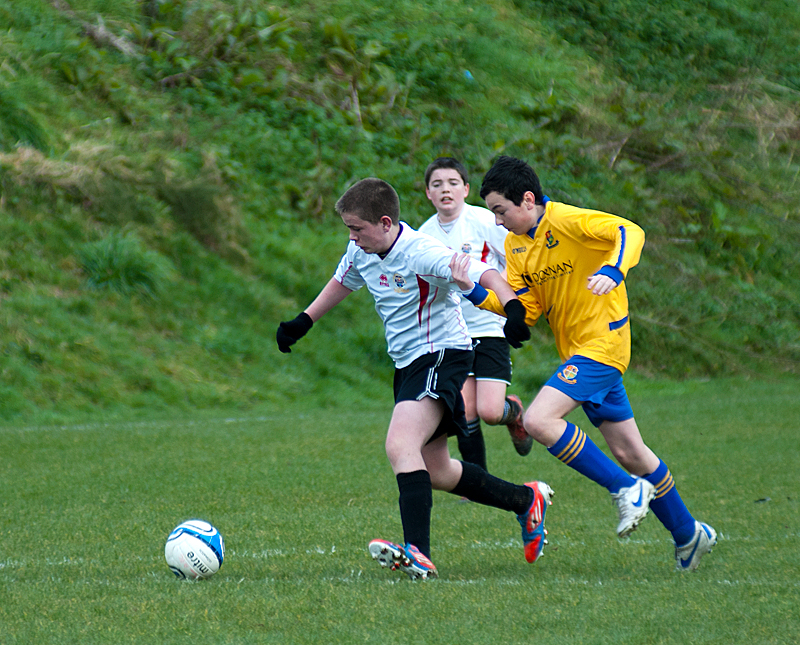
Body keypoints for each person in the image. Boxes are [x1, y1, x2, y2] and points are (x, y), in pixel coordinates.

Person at [276, 177, 553, 580]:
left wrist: (512, 309)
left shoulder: (421, 252)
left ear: (385, 223)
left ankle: (418, 554)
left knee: (400, 444)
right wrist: (303, 322)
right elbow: (342, 282)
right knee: (437, 471)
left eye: (357, 229)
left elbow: (485, 274)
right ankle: (525, 500)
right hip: (408, 364)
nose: (351, 238)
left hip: (443, 355)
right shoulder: (361, 251)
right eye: (348, 229)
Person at [451, 155, 717, 572]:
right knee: (631, 451)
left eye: (501, 211)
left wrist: (615, 268)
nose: (498, 221)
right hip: (577, 352)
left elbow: (630, 231)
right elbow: (529, 306)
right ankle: (688, 534)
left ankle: (625, 489)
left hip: (604, 343)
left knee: (538, 420)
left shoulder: (569, 220)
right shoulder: (517, 244)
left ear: (526, 199)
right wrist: (472, 292)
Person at [418, 157, 532, 471]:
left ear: (466, 189)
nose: (446, 190)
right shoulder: (424, 236)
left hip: (490, 325)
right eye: (437, 184)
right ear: (428, 193)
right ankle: (476, 482)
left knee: (491, 411)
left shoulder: (483, 220)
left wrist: (511, 302)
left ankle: (515, 413)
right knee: (466, 409)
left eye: (453, 183)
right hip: (455, 333)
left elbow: (514, 257)